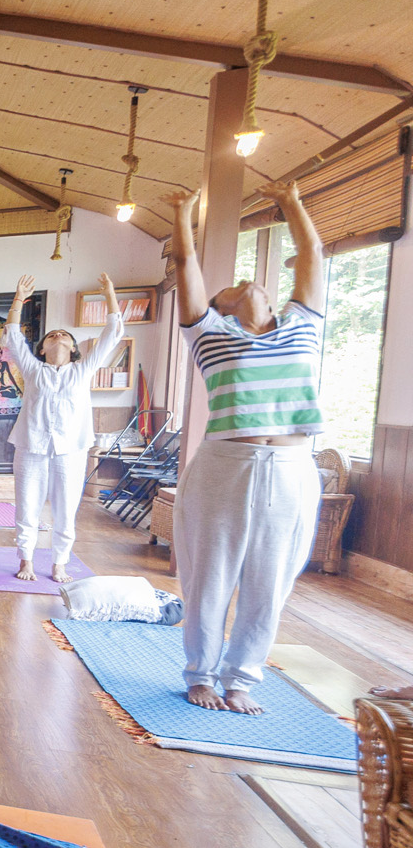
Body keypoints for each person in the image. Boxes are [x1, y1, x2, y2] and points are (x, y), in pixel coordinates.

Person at [165, 181, 326, 714]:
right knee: (210, 576)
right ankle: (201, 675)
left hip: (292, 467)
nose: (246, 282)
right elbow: (186, 267)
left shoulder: (304, 325)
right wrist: (182, 215)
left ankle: (243, 680)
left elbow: (312, 255)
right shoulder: (210, 334)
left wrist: (292, 203)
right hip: (226, 466)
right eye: (232, 286)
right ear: (221, 310)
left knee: (270, 581)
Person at [4, 272, 125, 583]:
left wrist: (110, 293)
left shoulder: (83, 371)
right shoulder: (33, 369)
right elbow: (13, 335)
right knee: (27, 507)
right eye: (51, 335)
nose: (58, 336)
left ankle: (60, 563)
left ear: (74, 348)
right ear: (41, 349)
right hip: (31, 447)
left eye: (65, 335)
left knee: (66, 510)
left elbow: (113, 332)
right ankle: (26, 559)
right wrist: (18, 299)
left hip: (70, 450)